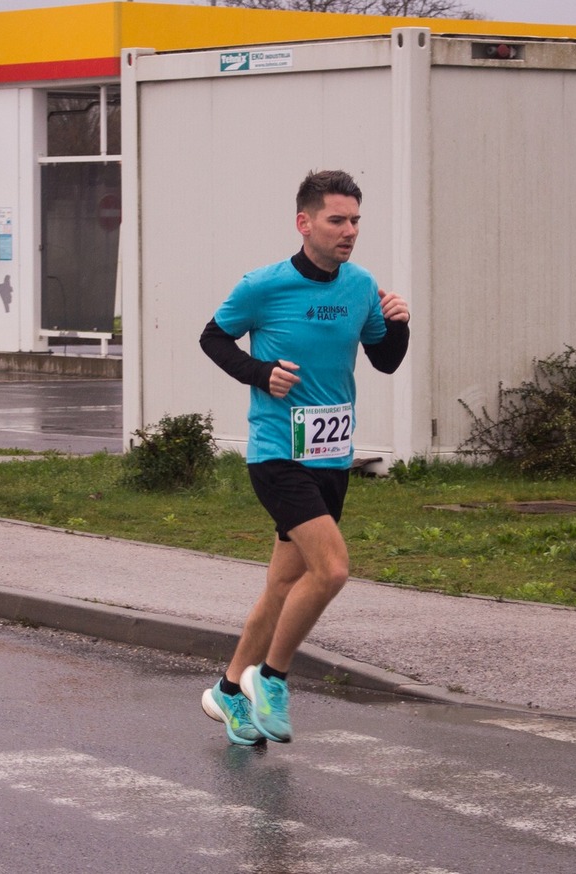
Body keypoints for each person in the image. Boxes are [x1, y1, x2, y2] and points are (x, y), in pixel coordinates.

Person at [198, 169, 410, 745]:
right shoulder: (263, 286)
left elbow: (385, 360)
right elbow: (213, 337)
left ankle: (228, 689)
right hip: (277, 454)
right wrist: (260, 373)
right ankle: (270, 678)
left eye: (356, 221)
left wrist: (398, 324)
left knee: (282, 585)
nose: (349, 231)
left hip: (331, 457)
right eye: (337, 220)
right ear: (305, 223)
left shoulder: (360, 286)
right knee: (332, 569)